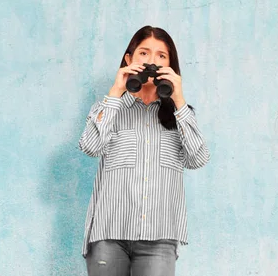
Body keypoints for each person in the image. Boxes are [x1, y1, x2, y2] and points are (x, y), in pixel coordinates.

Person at [78, 25, 210, 276]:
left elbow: (198, 159)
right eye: (144, 53)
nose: (152, 61)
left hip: (159, 239)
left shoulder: (181, 115)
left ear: (171, 65)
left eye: (161, 56)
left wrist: (179, 100)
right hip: (108, 235)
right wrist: (116, 91)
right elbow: (90, 147)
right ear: (129, 59)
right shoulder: (108, 108)